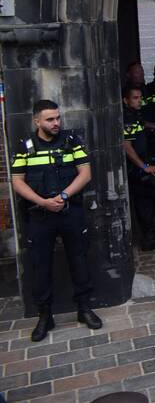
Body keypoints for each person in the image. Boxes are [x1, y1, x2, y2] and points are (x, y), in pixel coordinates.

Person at [10, 99, 103, 341]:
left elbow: (85, 173)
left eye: (58, 118)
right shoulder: (26, 147)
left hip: (69, 211)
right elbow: (17, 180)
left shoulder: (72, 142)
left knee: (79, 260)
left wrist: (62, 196)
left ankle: (84, 309)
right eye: (50, 119)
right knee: (41, 266)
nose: (56, 123)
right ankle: (45, 316)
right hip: (40, 216)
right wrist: (43, 202)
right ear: (37, 121)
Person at [122, 86, 155, 251]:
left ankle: (149, 236)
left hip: (142, 164)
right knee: (150, 197)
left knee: (146, 201)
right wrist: (144, 166)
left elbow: (141, 126)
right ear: (126, 100)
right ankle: (148, 238)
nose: (140, 101)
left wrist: (154, 129)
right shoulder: (127, 118)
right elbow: (126, 145)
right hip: (137, 169)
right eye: (135, 98)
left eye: (140, 97)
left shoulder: (134, 114)